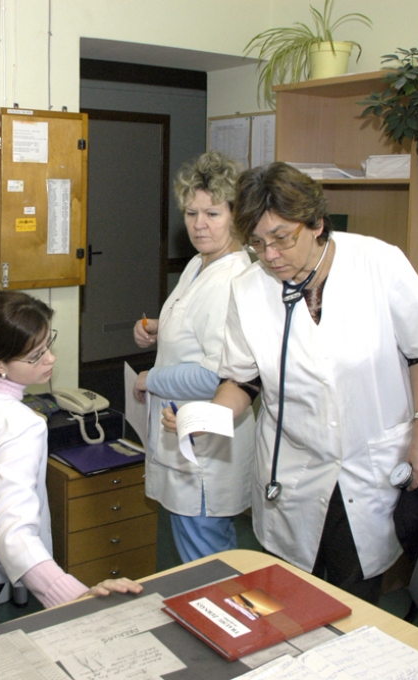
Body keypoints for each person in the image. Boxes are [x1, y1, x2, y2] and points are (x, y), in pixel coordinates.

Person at [164, 162, 418, 603]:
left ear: (317, 223)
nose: (270, 255)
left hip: (368, 469)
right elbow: (243, 381)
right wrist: (210, 417)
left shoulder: (378, 263)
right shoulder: (249, 288)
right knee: (288, 600)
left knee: (355, 600)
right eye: (258, 243)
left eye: (281, 238)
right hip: (293, 473)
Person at [0, 291, 143, 619]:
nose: (50, 359)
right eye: (35, 356)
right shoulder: (18, 425)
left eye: (48, 344)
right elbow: (15, 532)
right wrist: (75, 597)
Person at [132, 152, 256, 563]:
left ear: (237, 216)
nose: (199, 224)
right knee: (199, 552)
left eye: (213, 213)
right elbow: (197, 327)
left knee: (208, 562)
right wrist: (160, 328)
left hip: (205, 447)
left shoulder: (232, 279)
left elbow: (217, 375)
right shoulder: (199, 264)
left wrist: (150, 378)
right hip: (183, 436)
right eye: (191, 213)